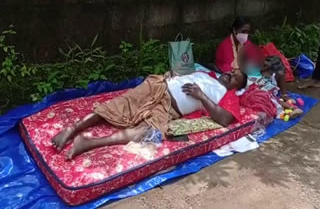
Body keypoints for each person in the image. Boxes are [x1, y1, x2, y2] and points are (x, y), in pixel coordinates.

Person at [51, 70, 248, 159]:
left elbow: (224, 119)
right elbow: (182, 75)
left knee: (149, 133)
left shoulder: (226, 96)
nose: (229, 74)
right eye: (231, 71)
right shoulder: (206, 75)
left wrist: (201, 95)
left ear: (238, 87)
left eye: (235, 77)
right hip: (158, 87)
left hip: (169, 110)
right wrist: (174, 75)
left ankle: (87, 143)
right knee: (118, 105)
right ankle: (72, 129)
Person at [238, 43, 303, 119]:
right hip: (258, 89)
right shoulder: (244, 68)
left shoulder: (255, 63)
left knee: (274, 97)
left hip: (264, 85)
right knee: (273, 100)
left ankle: (286, 99)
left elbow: (266, 66)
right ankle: (293, 108)